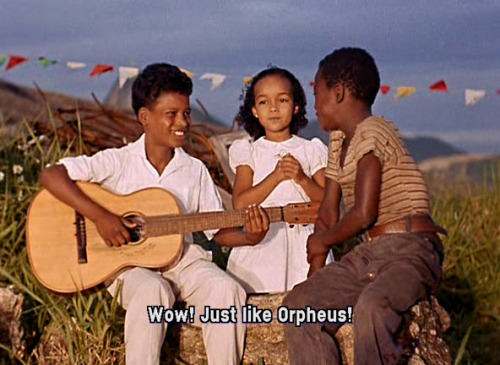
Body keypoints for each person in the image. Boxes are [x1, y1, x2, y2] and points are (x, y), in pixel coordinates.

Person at [39, 63, 270, 365]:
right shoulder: (118, 162)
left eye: (186, 113)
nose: (183, 122)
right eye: (171, 114)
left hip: (183, 262)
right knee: (151, 291)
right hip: (129, 268)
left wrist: (250, 237)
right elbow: (51, 175)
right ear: (145, 118)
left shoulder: (193, 170)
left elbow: (218, 231)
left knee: (227, 291)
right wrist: (101, 217)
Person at [283, 48, 447, 364]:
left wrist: (324, 240)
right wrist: (314, 277)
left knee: (372, 307)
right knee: (298, 308)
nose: (314, 105)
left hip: (410, 249)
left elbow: (363, 214)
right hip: (369, 255)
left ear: (339, 92)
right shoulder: (337, 142)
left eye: (317, 93)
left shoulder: (373, 130)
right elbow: (328, 212)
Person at [226, 67, 333, 294]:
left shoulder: (310, 149)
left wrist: (301, 178)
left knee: (308, 304)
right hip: (262, 240)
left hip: (306, 243)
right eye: (264, 102)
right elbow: (241, 203)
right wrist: (276, 177)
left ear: (296, 107)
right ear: (254, 110)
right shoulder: (248, 151)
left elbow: (328, 202)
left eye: (282, 100)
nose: (273, 108)